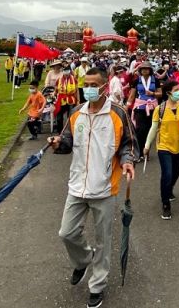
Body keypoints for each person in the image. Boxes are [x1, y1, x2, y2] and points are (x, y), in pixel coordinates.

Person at [49, 68, 135, 308]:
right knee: (66, 232)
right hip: (77, 185)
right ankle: (83, 260)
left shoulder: (118, 113)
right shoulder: (77, 112)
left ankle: (97, 286)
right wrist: (57, 143)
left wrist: (127, 161)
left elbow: (128, 143)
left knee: (103, 240)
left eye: (94, 84)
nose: (89, 87)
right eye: (86, 83)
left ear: (105, 86)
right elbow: (66, 141)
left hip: (105, 188)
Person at [144, 80, 179, 220]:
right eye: (176, 90)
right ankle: (165, 204)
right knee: (167, 174)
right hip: (164, 146)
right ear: (168, 93)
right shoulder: (160, 109)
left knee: (177, 172)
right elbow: (153, 129)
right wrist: (147, 146)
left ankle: (168, 189)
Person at [127, 62, 161, 162]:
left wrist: (153, 93)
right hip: (140, 107)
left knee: (149, 130)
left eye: (147, 68)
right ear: (140, 70)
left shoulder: (156, 80)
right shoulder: (136, 80)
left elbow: (160, 93)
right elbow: (132, 95)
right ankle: (138, 153)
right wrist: (127, 106)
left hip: (152, 107)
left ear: (150, 70)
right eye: (143, 69)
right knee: (140, 130)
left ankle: (146, 152)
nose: (145, 70)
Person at [54, 63, 79, 133]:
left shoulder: (74, 79)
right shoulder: (59, 80)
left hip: (71, 100)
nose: (66, 72)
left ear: (70, 71)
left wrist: (78, 100)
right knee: (59, 117)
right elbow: (56, 89)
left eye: (67, 70)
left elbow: (76, 91)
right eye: (64, 71)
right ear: (62, 71)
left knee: (70, 116)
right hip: (61, 100)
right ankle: (60, 132)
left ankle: (70, 131)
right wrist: (53, 95)